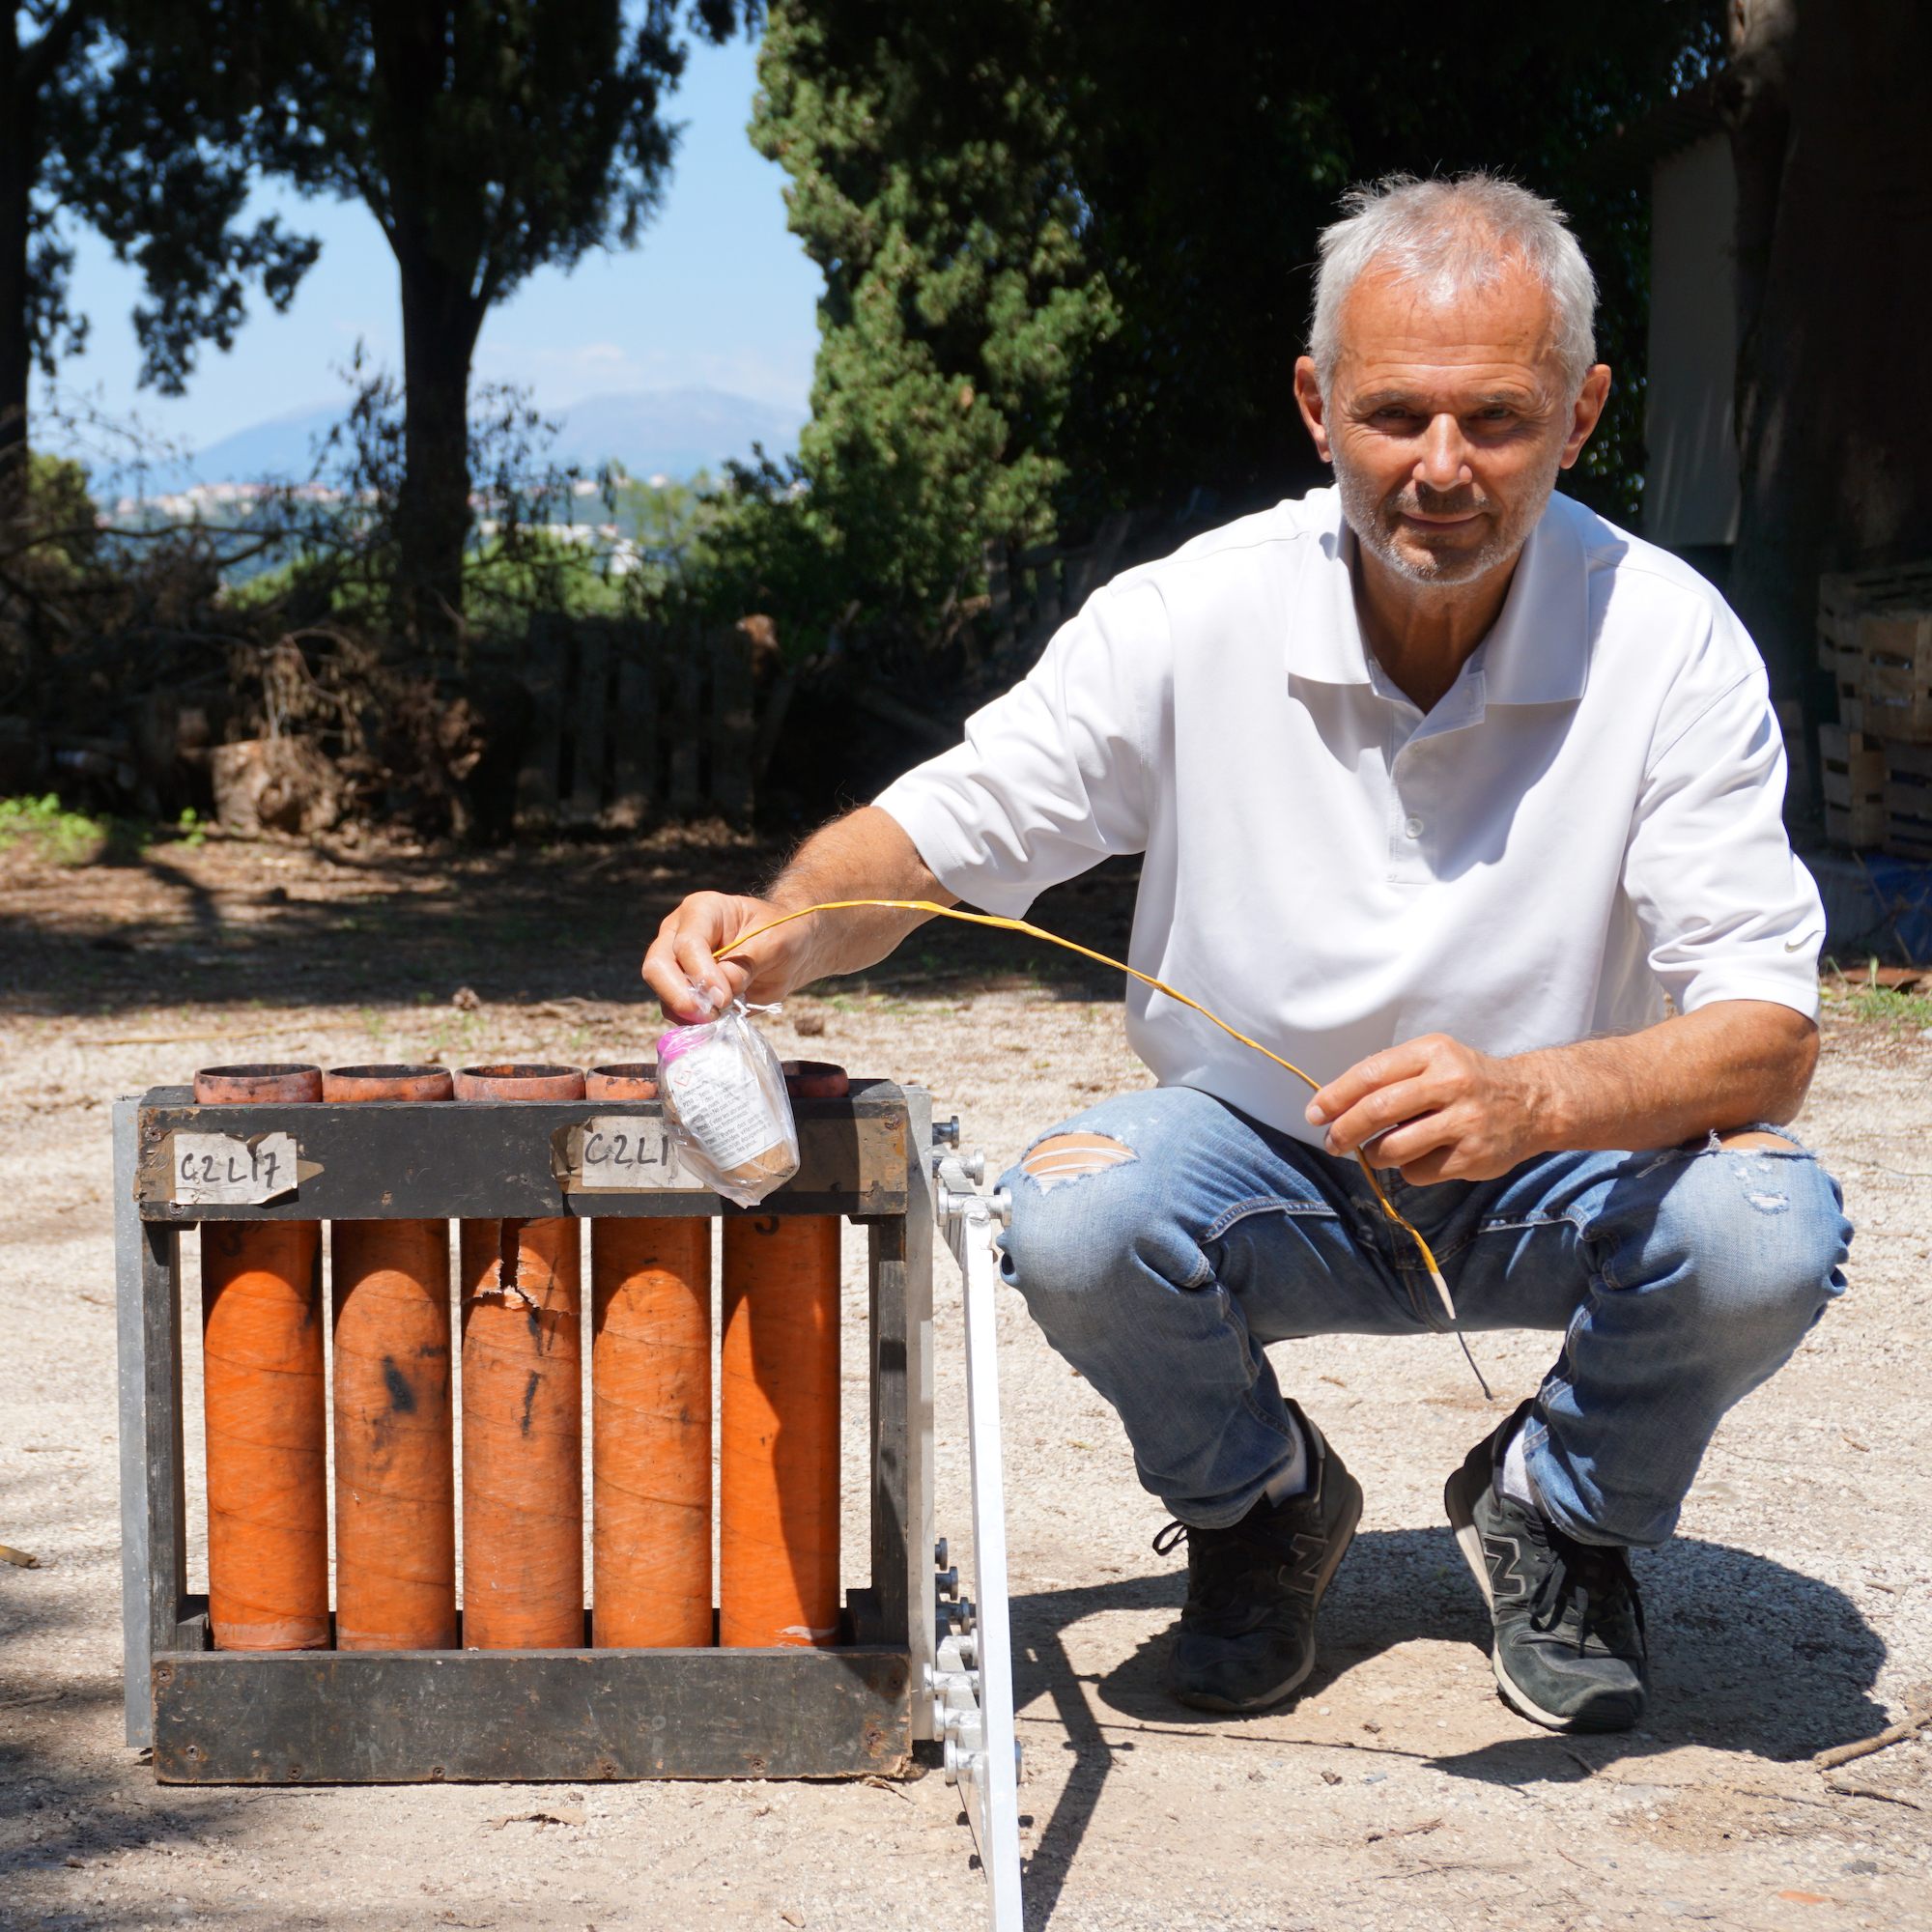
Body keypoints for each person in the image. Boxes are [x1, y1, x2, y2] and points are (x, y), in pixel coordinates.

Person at [643, 174, 1852, 1736]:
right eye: (1393, 412)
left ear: (1582, 414)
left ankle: (1561, 1514)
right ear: (1315, 405)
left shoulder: (1669, 636)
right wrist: (783, 932)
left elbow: (1771, 1037)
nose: (1439, 468)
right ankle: (1264, 1507)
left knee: (1768, 1226)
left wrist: (1536, 1100)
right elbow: (942, 841)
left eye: (1495, 419)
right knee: (1072, 1213)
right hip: (1268, 1170)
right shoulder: (1189, 615)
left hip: (1567, 1165)